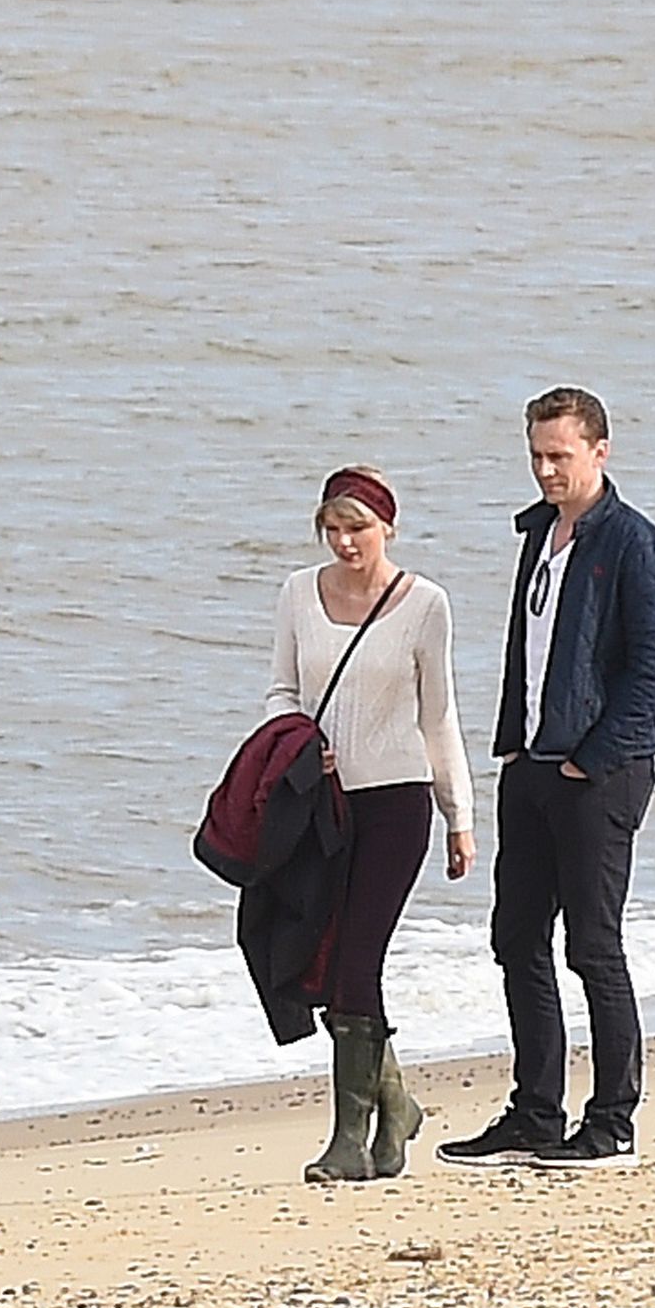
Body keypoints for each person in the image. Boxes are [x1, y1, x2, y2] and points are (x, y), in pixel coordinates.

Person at [437, 387, 655, 1170]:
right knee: (515, 938)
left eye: (560, 456)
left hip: (601, 774)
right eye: (537, 455)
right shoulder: (539, 534)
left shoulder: (639, 547)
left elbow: (652, 676)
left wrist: (590, 757)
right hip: (532, 767)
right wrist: (515, 746)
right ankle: (536, 1113)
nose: (546, 470)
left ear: (600, 452)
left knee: (593, 947)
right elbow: (532, 656)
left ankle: (612, 1123)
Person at [264, 466, 476, 1181]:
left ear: (388, 526)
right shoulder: (298, 592)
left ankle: (347, 1141)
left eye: (357, 527)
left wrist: (459, 816)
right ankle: (396, 1105)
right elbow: (282, 690)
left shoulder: (426, 604)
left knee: (358, 962)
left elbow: (438, 715)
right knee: (321, 960)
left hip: (397, 803)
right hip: (320, 805)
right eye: (333, 528)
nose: (345, 542)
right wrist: (296, 742)